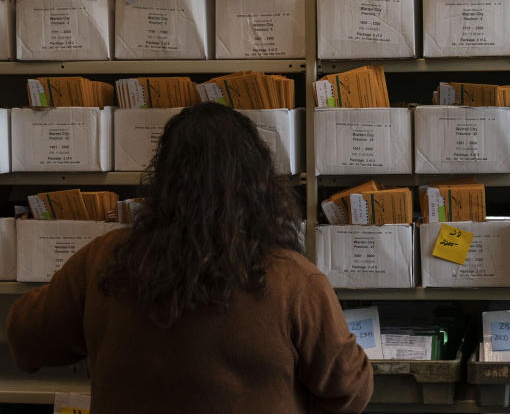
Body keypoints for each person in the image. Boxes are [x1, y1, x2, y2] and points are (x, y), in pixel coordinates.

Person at [6, 103, 373, 413]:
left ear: (164, 181)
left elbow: (25, 337)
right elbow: (350, 388)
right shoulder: (294, 280)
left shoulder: (103, 259)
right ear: (258, 184)